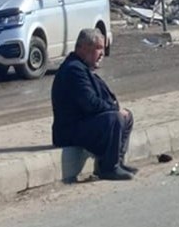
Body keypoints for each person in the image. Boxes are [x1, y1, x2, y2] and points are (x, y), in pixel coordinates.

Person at [51, 28, 137, 181]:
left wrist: (115, 107)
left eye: (103, 48)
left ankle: (117, 162)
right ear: (83, 48)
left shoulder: (83, 68)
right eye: (98, 48)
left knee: (126, 117)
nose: (102, 53)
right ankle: (108, 168)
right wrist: (114, 109)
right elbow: (90, 103)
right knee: (114, 118)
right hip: (69, 130)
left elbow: (102, 96)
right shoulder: (73, 70)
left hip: (83, 123)